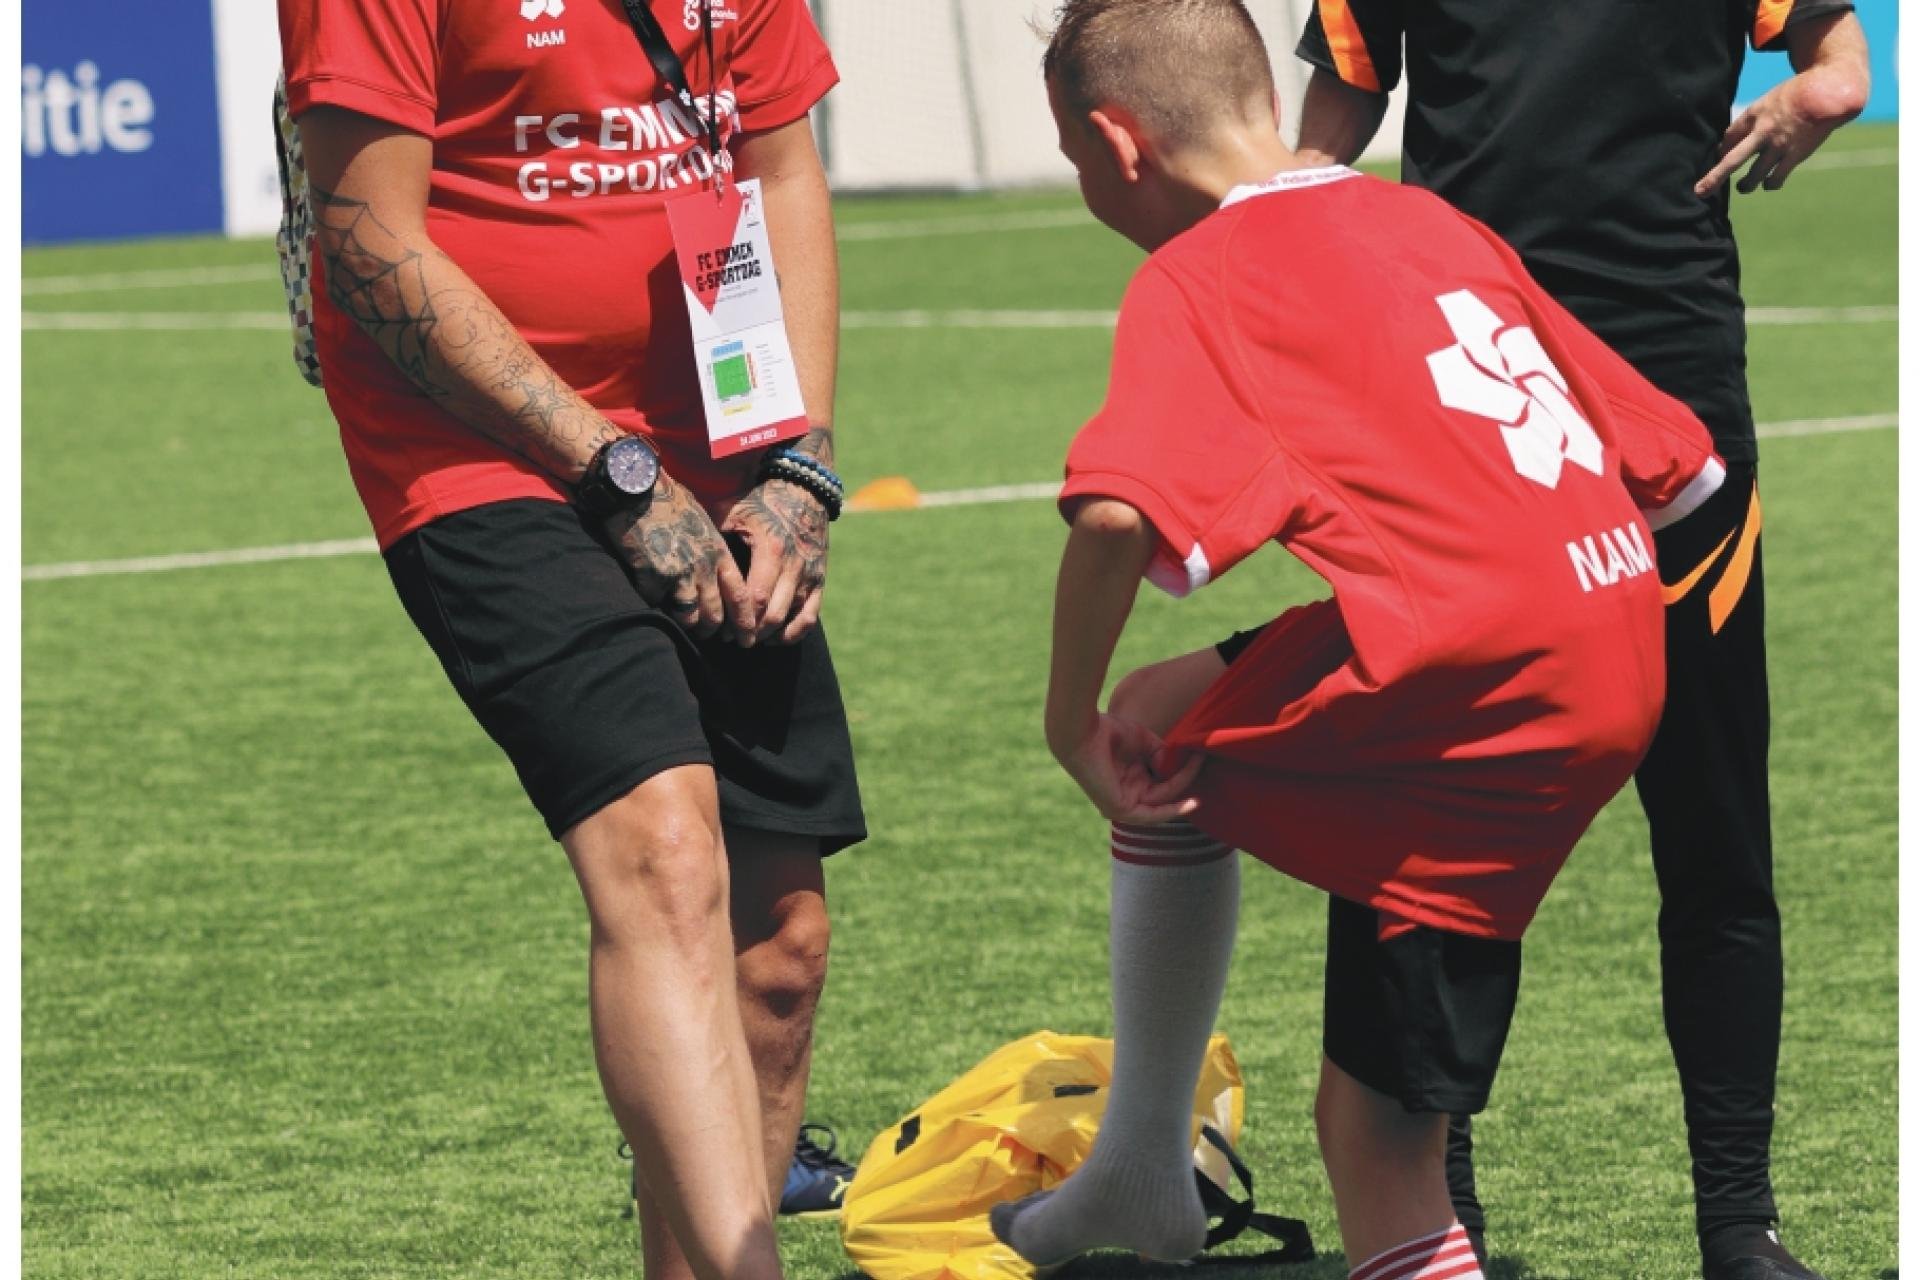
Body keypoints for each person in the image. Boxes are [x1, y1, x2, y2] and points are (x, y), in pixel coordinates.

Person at [986, 3, 1725, 1277]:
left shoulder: (1198, 276)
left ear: (1115, 144)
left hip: (1476, 687)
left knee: (1376, 1141)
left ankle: (1310, 1212)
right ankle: (1142, 1166)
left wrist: (1063, 716)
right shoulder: (1423, 216)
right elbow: (1684, 466)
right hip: (1607, 620)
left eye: (1069, 162)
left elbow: (1117, 512)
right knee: (1160, 720)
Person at [274, 3, 864, 1277]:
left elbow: (781, 168)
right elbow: (368, 230)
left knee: (778, 952)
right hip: (473, 443)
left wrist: (800, 466)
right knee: (662, 850)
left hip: (716, 431)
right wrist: (609, 466)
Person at [1290, 2, 1870, 1275]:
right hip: (1458, 396)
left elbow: (1839, 56)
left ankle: (1740, 1223)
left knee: (1714, 827)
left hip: (1677, 397)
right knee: (1428, 826)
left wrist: (1818, 93)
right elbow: (1327, 135)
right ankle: (1441, 1215)